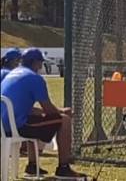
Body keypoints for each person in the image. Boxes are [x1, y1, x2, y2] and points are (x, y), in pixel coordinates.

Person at [1, 48, 87, 178]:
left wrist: (50, 112)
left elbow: (24, 108)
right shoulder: (34, 78)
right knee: (64, 120)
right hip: (18, 127)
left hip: (3, 126)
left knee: (35, 118)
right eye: (41, 63)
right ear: (36, 63)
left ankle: (32, 166)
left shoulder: (12, 74)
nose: (41, 66)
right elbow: (49, 110)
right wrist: (62, 111)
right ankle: (63, 167)